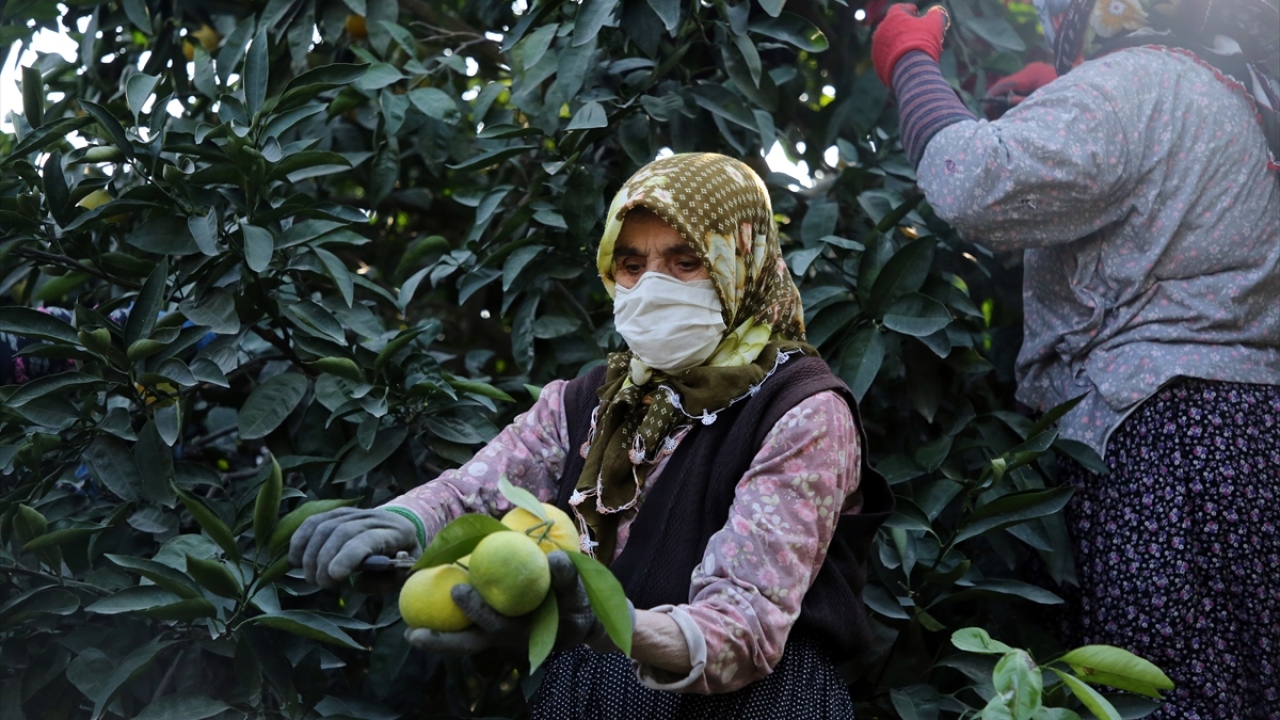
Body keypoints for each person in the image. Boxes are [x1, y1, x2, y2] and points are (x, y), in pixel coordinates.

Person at [290, 152, 893, 719]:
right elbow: (476, 492)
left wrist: (607, 623)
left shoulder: (802, 411)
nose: (652, 285)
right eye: (631, 265)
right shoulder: (589, 401)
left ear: (744, 261)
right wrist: (404, 525)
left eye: (686, 261)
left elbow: (744, 626)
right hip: (587, 694)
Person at [871, 1, 1279, 716]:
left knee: (1166, 696)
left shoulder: (1135, 84)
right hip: (1247, 433)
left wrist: (910, 61)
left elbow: (974, 181)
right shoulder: (1242, 91)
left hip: (1164, 436)